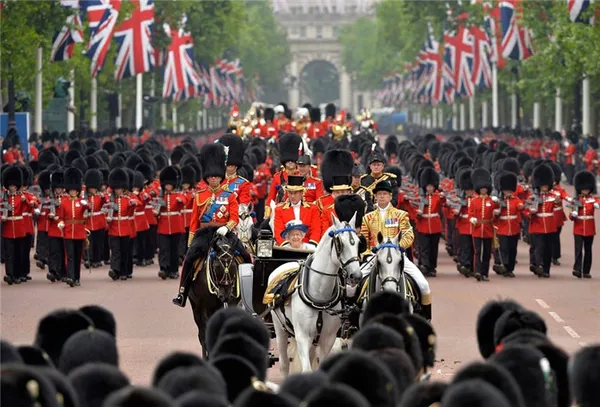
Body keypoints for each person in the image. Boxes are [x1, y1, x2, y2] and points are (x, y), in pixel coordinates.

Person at [173, 143, 239, 307]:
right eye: (211, 177)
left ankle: (247, 292)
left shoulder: (229, 196)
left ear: (220, 177)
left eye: (216, 176)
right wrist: (191, 242)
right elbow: (194, 220)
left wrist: (227, 227)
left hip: (224, 231)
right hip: (205, 234)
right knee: (189, 260)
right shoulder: (199, 196)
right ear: (207, 178)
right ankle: (182, 292)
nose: (214, 179)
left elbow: (235, 217)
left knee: (245, 256)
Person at [360, 180, 431, 321]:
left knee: (424, 285)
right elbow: (364, 240)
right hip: (375, 257)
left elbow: (409, 235)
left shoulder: (400, 215)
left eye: (384, 194)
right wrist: (368, 253)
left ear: (390, 196)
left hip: (398, 256)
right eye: (379, 194)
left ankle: (425, 318)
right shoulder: (367, 217)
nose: (381, 197)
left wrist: (398, 247)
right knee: (352, 285)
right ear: (375, 197)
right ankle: (351, 319)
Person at [523, 164, 559, 278]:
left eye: (546, 186)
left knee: (548, 249)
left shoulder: (553, 196)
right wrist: (530, 213)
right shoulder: (532, 198)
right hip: (537, 225)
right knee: (539, 247)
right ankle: (539, 266)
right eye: (542, 186)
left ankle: (546, 269)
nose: (544, 188)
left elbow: (557, 206)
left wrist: (558, 201)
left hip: (549, 226)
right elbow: (526, 210)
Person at [55, 168, 88, 287]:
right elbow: (60, 217)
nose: (73, 192)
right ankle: (70, 277)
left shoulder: (81, 202)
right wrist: (60, 223)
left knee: (77, 256)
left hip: (79, 231)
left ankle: (77, 278)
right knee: (70, 256)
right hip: (68, 231)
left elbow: (87, 213)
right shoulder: (64, 202)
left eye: (75, 190)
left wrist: (86, 206)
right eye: (71, 190)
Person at [156, 166, 186, 280]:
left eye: (170, 184)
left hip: (175, 226)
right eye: (166, 184)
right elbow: (156, 210)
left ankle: (173, 270)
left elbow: (184, 200)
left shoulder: (178, 195)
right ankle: (163, 268)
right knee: (163, 249)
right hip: (163, 226)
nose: (168, 186)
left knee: (174, 249)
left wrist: (180, 201)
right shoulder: (161, 196)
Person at [468, 168, 498, 282]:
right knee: (478, 252)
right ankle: (477, 271)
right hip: (477, 229)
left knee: (486, 253)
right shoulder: (474, 201)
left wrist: (496, 202)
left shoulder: (491, 201)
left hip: (488, 229)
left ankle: (485, 273)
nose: (483, 190)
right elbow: (470, 213)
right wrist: (472, 219)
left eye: (485, 189)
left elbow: (498, 209)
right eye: (482, 189)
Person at [106, 168, 137, 281]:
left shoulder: (127, 198)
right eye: (116, 188)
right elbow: (104, 209)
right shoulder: (109, 199)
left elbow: (134, 206)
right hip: (113, 228)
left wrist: (132, 204)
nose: (117, 191)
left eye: (119, 188)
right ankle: (115, 270)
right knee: (115, 251)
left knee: (124, 251)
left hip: (124, 228)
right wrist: (107, 217)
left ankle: (124, 271)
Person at [273, 175, 321, 246]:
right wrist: (287, 246)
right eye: (290, 193)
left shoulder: (313, 208)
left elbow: (316, 230)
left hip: (308, 246)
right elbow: (278, 231)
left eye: (295, 193)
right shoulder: (279, 210)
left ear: (302, 193)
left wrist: (311, 245)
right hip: (287, 247)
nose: (292, 196)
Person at [264, 133, 303, 219]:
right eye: (288, 161)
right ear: (284, 162)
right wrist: (267, 214)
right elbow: (271, 197)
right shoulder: (277, 177)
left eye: (292, 161)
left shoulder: (301, 175)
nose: (290, 162)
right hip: (280, 212)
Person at [415, 168, 444, 277]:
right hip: (423, 225)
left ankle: (432, 267)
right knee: (424, 247)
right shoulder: (420, 197)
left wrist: (442, 196)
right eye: (428, 186)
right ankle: (425, 266)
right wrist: (418, 213)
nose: (430, 188)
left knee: (433, 248)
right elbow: (414, 209)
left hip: (435, 225)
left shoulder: (438, 197)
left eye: (431, 186)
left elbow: (443, 203)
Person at [317, 149, 355, 232]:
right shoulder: (321, 203)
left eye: (343, 191)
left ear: (348, 191)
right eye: (338, 192)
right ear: (333, 191)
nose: (341, 194)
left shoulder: (355, 203)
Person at [493, 172, 523, 278]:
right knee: (504, 248)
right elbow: (494, 213)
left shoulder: (516, 200)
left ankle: (510, 268)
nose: (508, 193)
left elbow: (520, 206)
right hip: (502, 228)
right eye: (506, 191)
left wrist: (521, 207)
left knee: (512, 249)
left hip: (514, 228)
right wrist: (498, 210)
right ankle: (504, 266)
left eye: (510, 191)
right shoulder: (498, 200)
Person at [570, 170, 599, 279]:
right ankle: (577, 269)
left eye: (587, 189)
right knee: (578, 250)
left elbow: (598, 203)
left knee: (588, 250)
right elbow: (571, 217)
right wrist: (573, 215)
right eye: (583, 189)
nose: (585, 190)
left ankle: (586, 271)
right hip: (578, 228)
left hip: (590, 228)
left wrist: (596, 204)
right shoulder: (576, 200)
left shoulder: (594, 199)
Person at [360, 145, 398, 211]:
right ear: (370, 166)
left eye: (378, 165)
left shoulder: (390, 180)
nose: (376, 167)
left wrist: (381, 207)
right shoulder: (363, 180)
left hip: (386, 211)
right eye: (374, 165)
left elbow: (394, 200)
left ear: (383, 166)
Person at [84, 169, 107, 268]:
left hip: (99, 222)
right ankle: (89, 259)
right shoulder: (85, 197)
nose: (92, 190)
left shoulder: (100, 196)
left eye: (94, 188)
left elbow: (104, 203)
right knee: (89, 242)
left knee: (98, 242)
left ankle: (97, 259)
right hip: (88, 222)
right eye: (90, 188)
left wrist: (102, 198)